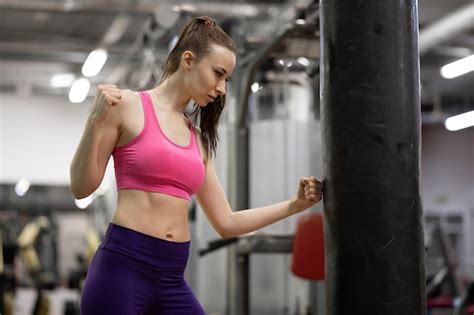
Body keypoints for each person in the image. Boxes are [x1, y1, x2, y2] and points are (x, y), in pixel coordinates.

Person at [70, 15, 323, 315]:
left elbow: (226, 222)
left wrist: (294, 206)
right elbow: (81, 187)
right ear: (188, 60)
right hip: (123, 269)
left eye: (227, 78)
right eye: (218, 73)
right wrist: (94, 123)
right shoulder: (126, 106)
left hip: (172, 276)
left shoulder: (199, 141)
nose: (222, 88)